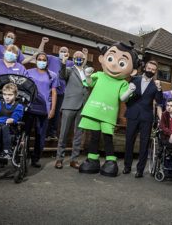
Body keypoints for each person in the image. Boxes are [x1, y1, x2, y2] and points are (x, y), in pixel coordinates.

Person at [78, 42, 140, 177]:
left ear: (133, 71)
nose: (113, 64)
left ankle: (110, 161)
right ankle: (92, 159)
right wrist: (88, 75)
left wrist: (129, 91)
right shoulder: (99, 75)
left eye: (122, 63)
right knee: (94, 137)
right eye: (110, 59)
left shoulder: (123, 83)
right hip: (94, 111)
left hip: (108, 114)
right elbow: (88, 84)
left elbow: (123, 98)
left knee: (107, 138)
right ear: (102, 59)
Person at [123, 60, 163, 178]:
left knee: (144, 144)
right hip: (133, 115)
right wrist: (130, 107)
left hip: (146, 118)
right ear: (145, 67)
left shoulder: (155, 85)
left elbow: (160, 101)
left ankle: (140, 170)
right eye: (149, 68)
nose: (150, 71)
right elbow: (127, 95)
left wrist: (160, 89)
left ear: (155, 71)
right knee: (129, 141)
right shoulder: (135, 79)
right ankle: (127, 166)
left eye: (153, 70)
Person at [54, 49, 90, 170]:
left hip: (83, 106)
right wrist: (63, 62)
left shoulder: (87, 71)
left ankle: (74, 160)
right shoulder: (69, 70)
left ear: (84, 59)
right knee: (63, 133)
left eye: (81, 57)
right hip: (69, 105)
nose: (79, 58)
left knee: (78, 134)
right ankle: (59, 159)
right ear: (73, 59)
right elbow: (62, 75)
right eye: (76, 57)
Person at [24, 52, 59, 168]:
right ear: (36, 60)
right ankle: (23, 156)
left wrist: (53, 109)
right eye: (39, 59)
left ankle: (35, 158)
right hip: (29, 107)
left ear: (47, 62)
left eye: (44, 60)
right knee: (26, 133)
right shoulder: (28, 73)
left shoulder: (52, 75)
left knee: (40, 134)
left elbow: (54, 93)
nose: (41, 61)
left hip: (44, 109)